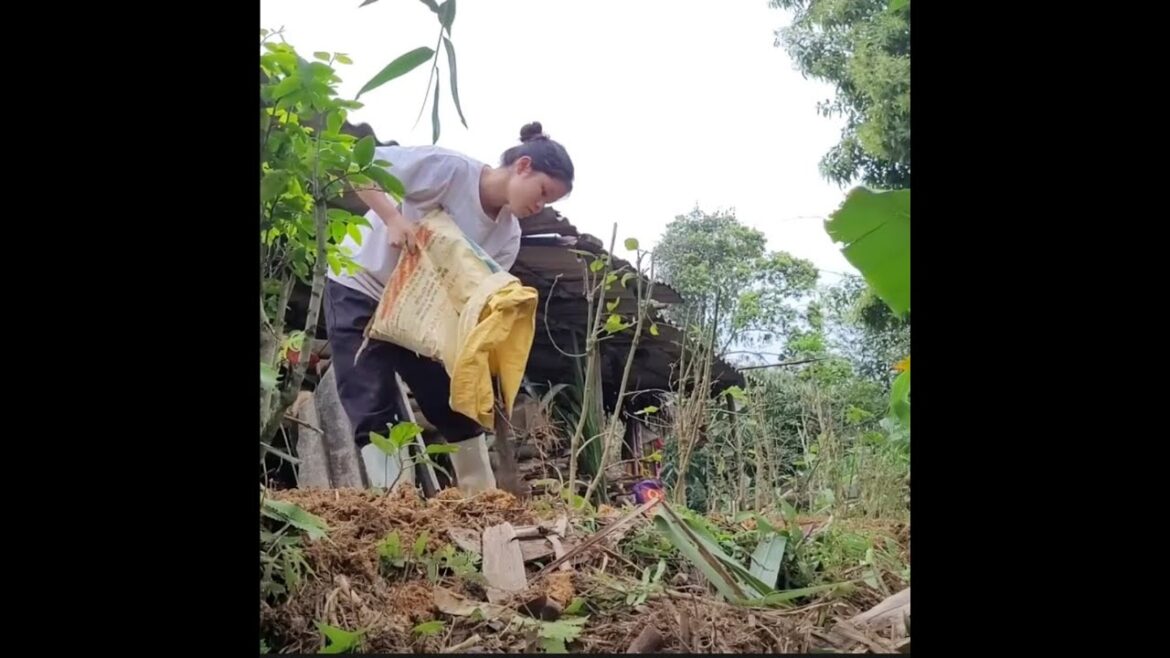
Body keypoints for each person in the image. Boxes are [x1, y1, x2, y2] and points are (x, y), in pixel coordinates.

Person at [324, 121, 575, 493]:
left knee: (451, 395)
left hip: (419, 311)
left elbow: (468, 296)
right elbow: (359, 166)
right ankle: (396, 503)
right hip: (361, 284)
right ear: (523, 166)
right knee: (369, 395)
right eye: (542, 192)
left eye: (548, 202)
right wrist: (393, 218)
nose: (539, 205)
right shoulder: (450, 170)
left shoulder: (507, 237)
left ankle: (481, 498)